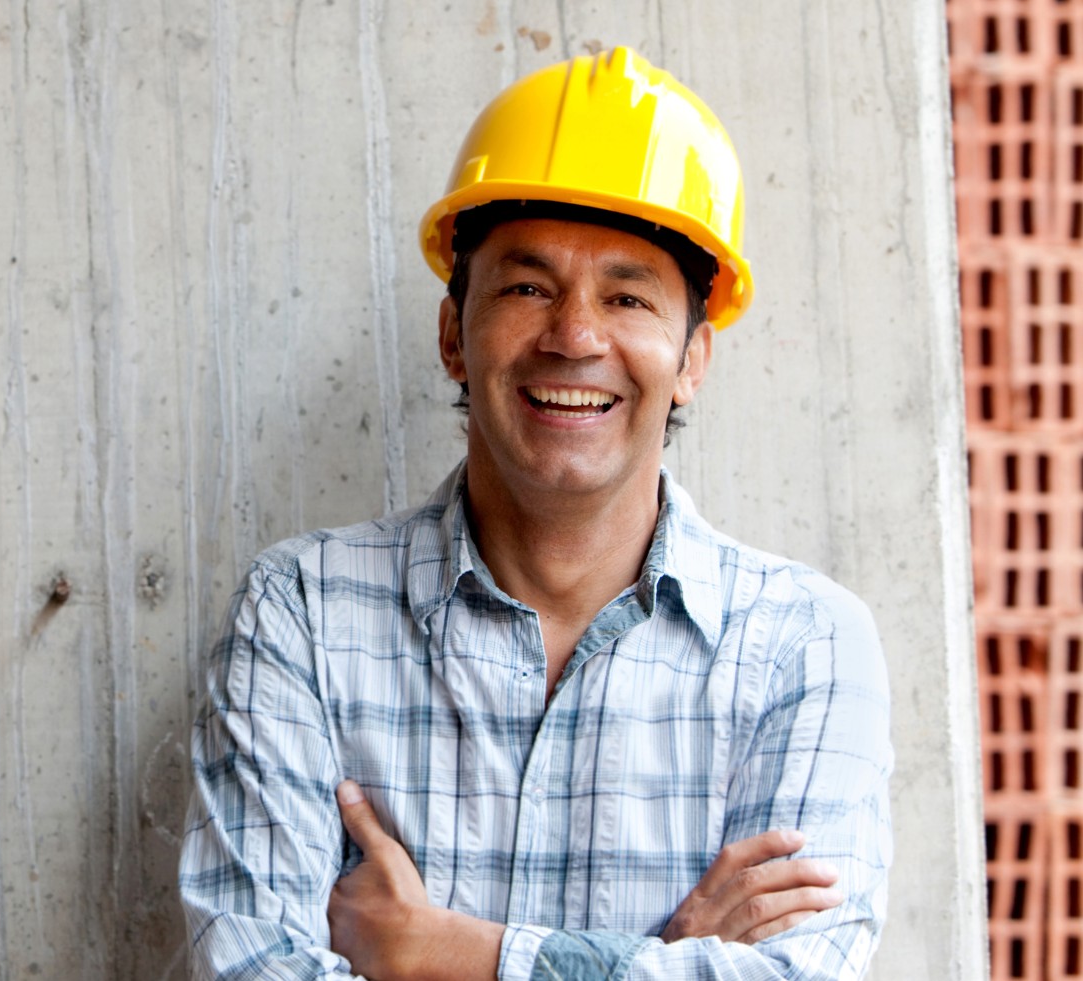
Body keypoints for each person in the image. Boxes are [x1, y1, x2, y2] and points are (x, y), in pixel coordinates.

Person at [178, 48, 892, 980]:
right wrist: (663, 961)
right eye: (527, 287)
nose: (576, 336)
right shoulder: (302, 613)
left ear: (692, 359)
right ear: (452, 335)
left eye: (628, 295)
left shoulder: (807, 645)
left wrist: (446, 953)